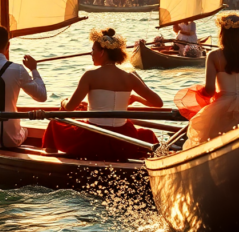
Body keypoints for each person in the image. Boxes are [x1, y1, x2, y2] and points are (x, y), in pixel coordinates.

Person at [42, 28, 162, 161]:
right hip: (123, 141)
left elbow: (69, 107)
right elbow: (158, 103)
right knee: (147, 135)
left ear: (102, 52)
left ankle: (50, 161)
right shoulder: (130, 77)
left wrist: (63, 101)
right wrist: (136, 98)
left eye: (93, 50)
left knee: (54, 123)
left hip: (93, 139)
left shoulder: (90, 75)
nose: (91, 54)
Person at [175, 13, 239, 149]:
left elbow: (209, 90)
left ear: (221, 32)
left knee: (210, 139)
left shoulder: (214, 56)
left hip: (223, 106)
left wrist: (198, 92)